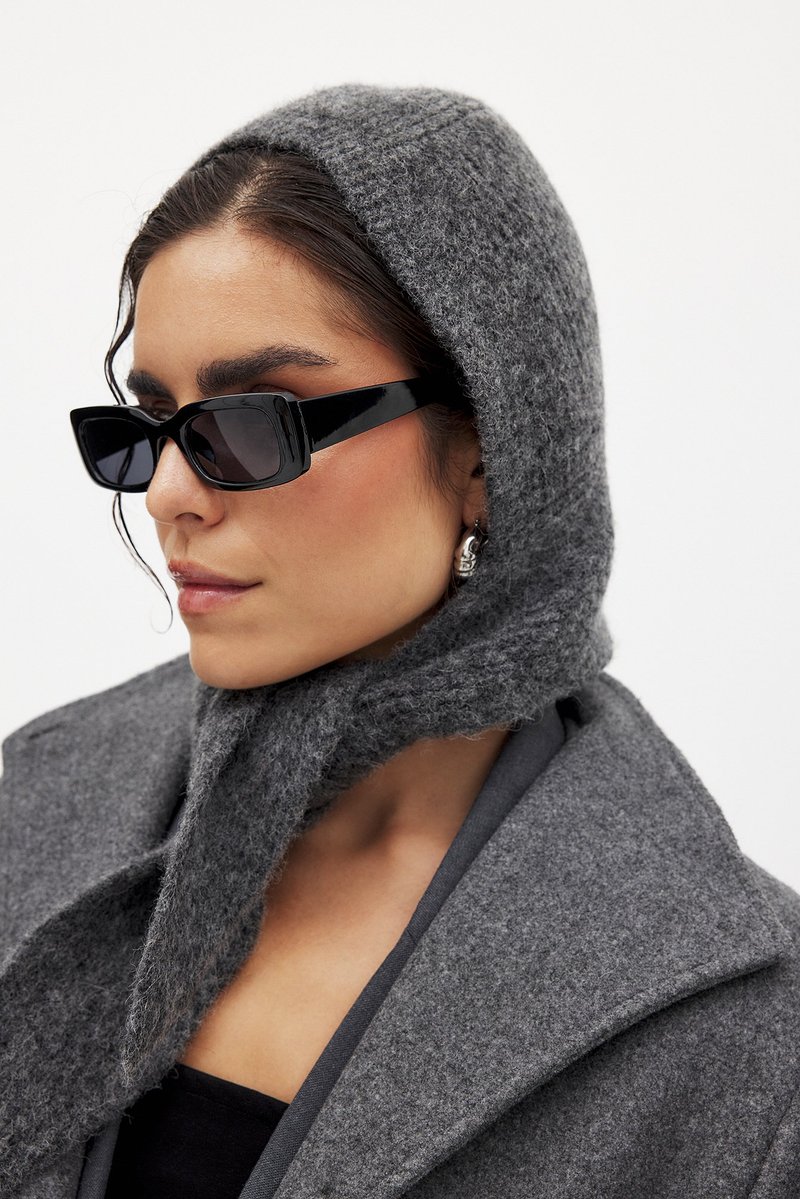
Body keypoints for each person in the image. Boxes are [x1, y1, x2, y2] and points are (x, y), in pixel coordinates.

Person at [1, 83, 798, 1199]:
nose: (169, 493)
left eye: (253, 421)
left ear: (487, 455)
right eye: (150, 427)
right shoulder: (34, 801)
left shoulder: (746, 1034)